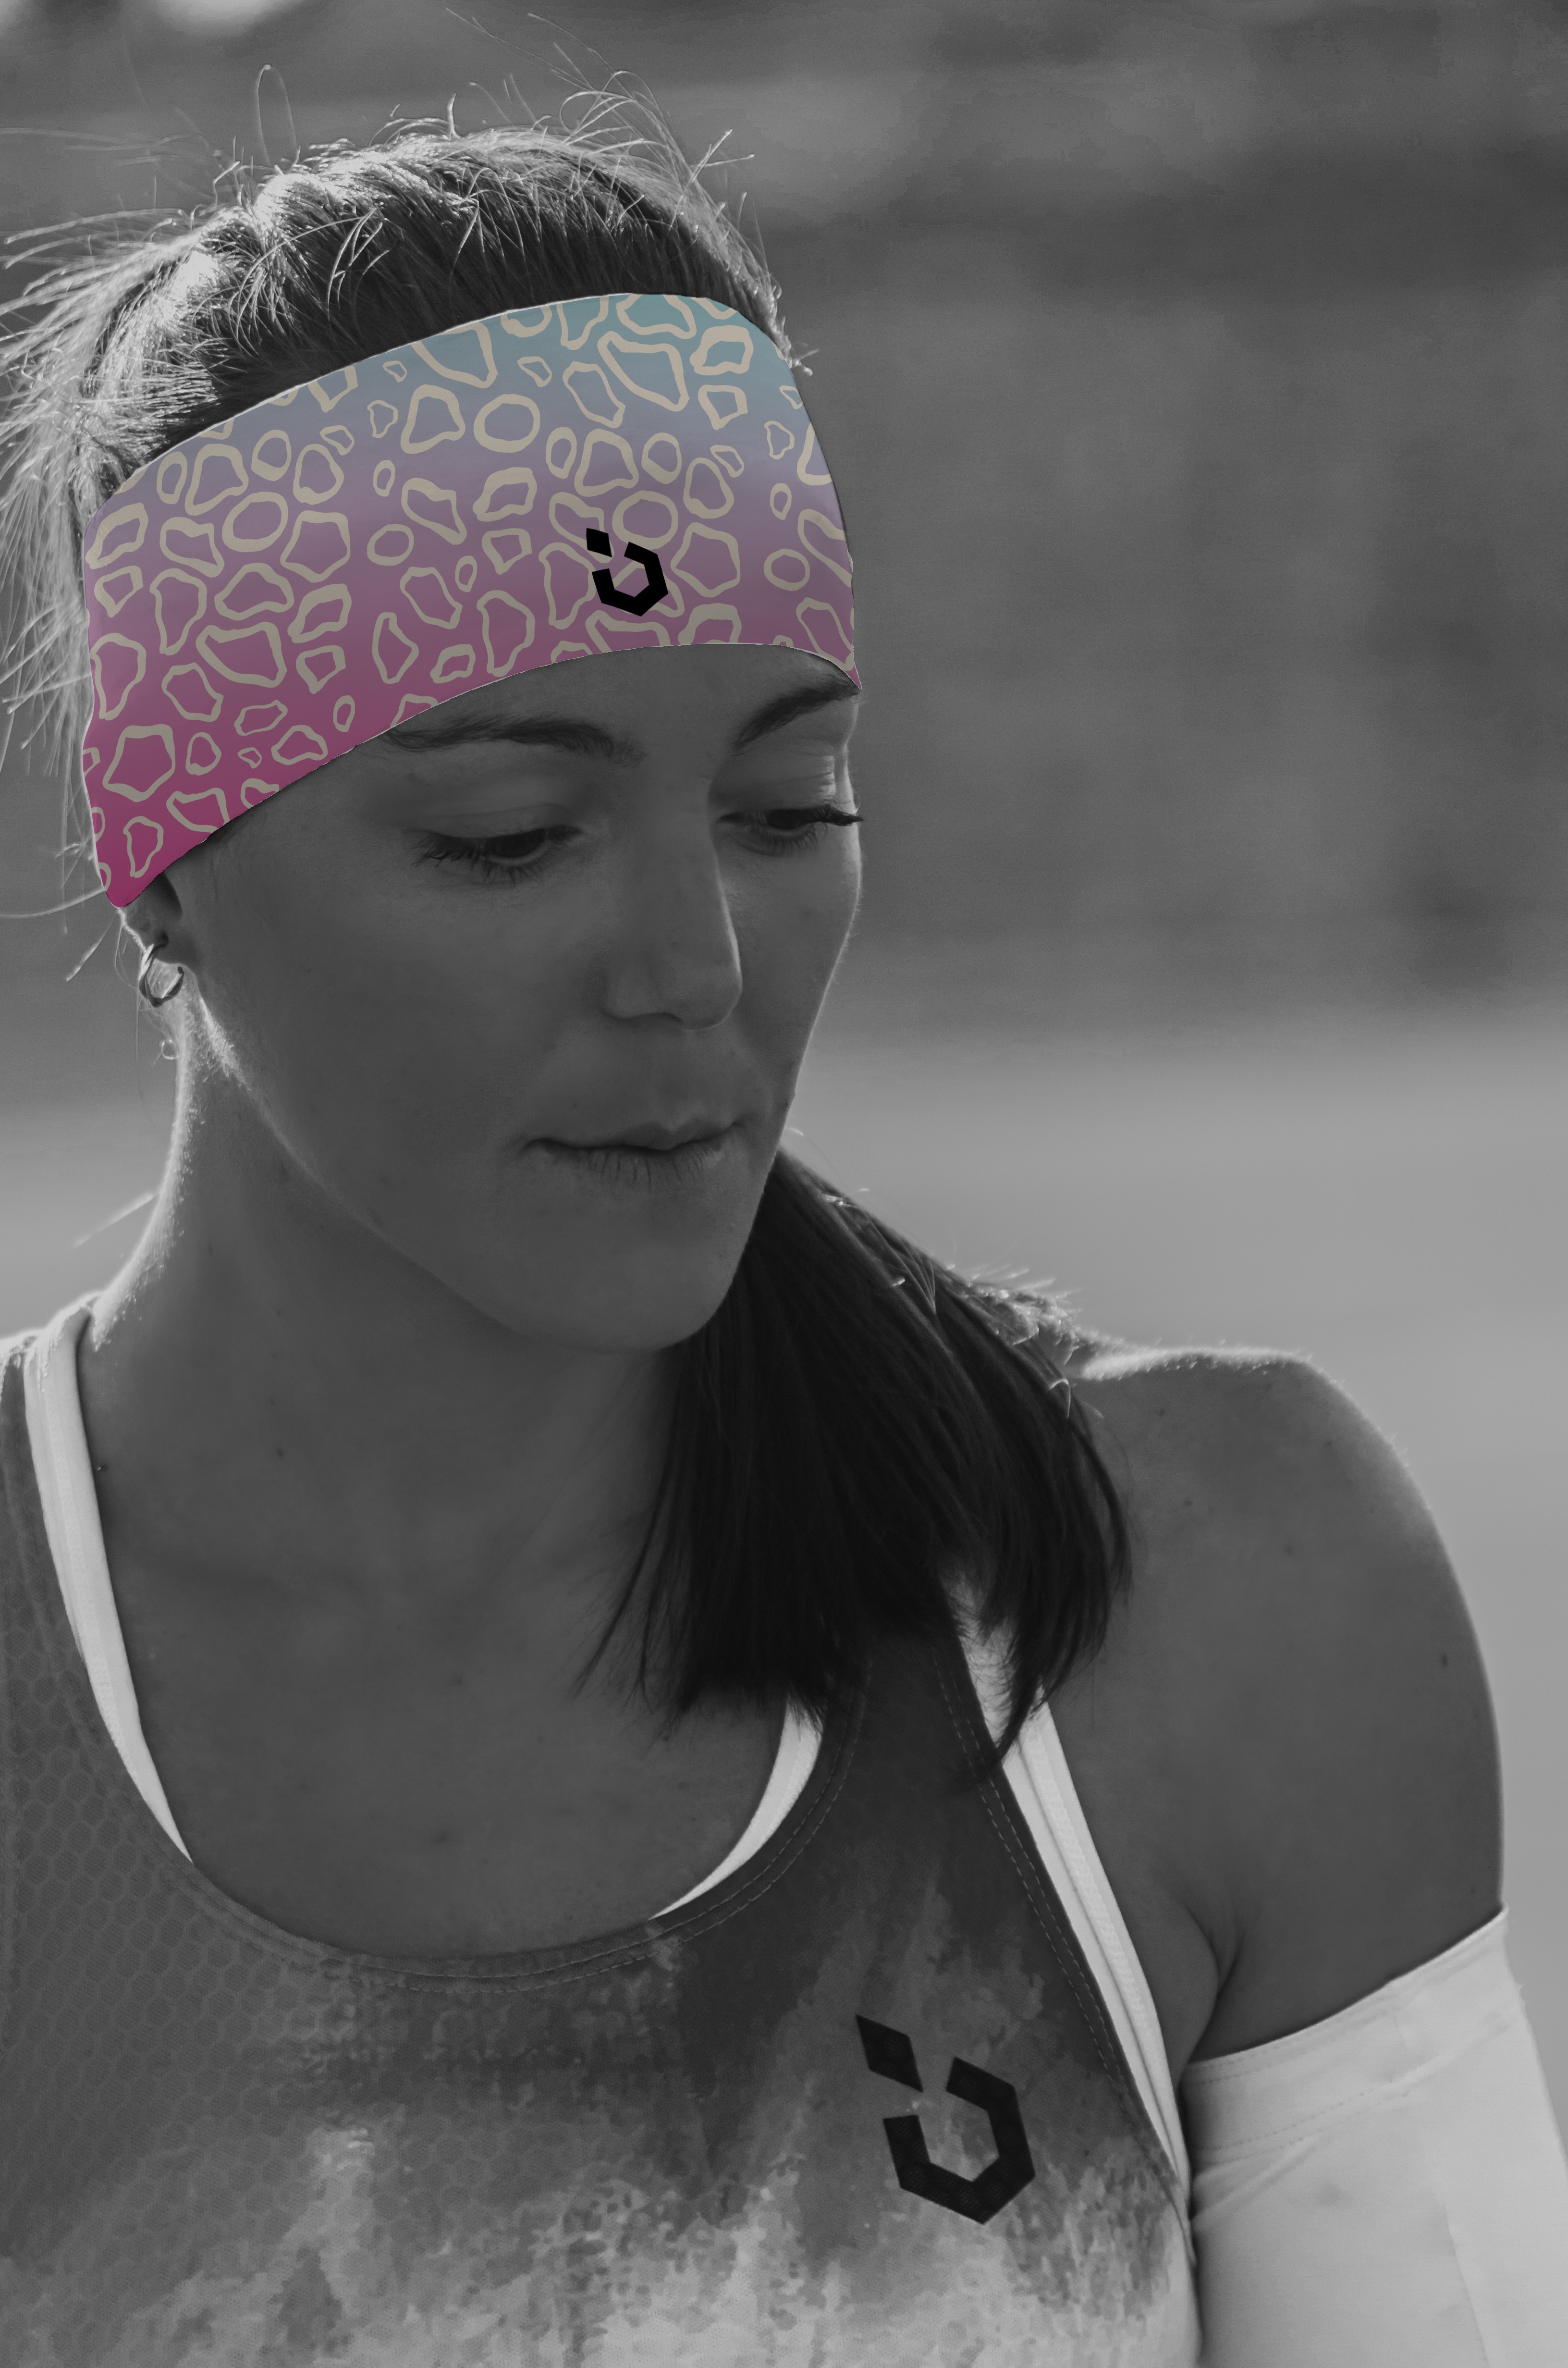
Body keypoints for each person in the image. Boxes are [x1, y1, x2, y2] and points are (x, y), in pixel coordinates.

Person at [0, 110, 1564, 2368]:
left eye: (783, 802)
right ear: (159, 856)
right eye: (510, 833)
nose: (694, 963)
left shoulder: (1200, 1611)